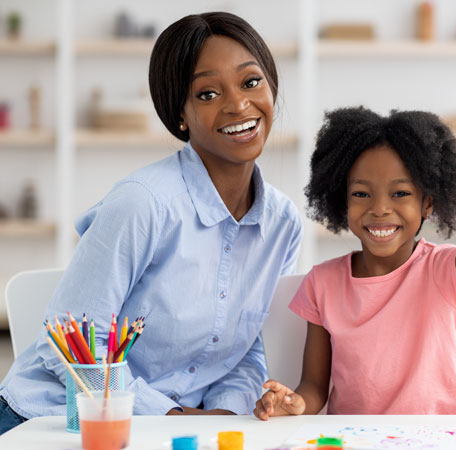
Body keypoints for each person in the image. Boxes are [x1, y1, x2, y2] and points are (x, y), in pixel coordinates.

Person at [0, 12, 303, 434]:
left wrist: (226, 418)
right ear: (179, 114)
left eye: (251, 82)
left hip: (169, 430)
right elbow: (70, 349)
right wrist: (173, 416)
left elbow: (250, 353)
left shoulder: (283, 225)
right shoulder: (144, 204)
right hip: (49, 422)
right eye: (208, 93)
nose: (238, 104)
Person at [254, 108, 456, 419]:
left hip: (438, 440)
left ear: (427, 203)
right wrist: (295, 403)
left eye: (400, 193)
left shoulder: (446, 269)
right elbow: (314, 386)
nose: (380, 208)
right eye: (361, 193)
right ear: (342, 201)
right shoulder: (322, 282)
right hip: (356, 440)